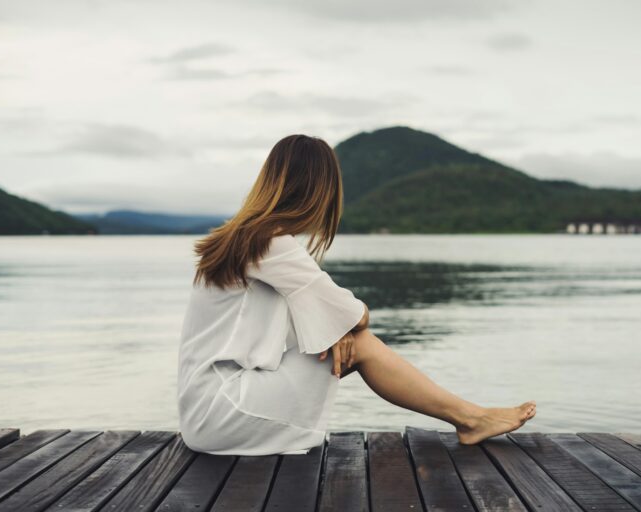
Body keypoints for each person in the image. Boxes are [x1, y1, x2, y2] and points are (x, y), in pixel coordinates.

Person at [177, 134, 536, 456]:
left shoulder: (242, 238)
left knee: (347, 337)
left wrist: (337, 328)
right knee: (361, 342)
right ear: (320, 192)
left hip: (206, 409)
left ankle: (471, 418)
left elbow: (311, 321)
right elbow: (356, 315)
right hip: (224, 411)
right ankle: (471, 419)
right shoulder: (269, 244)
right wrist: (347, 324)